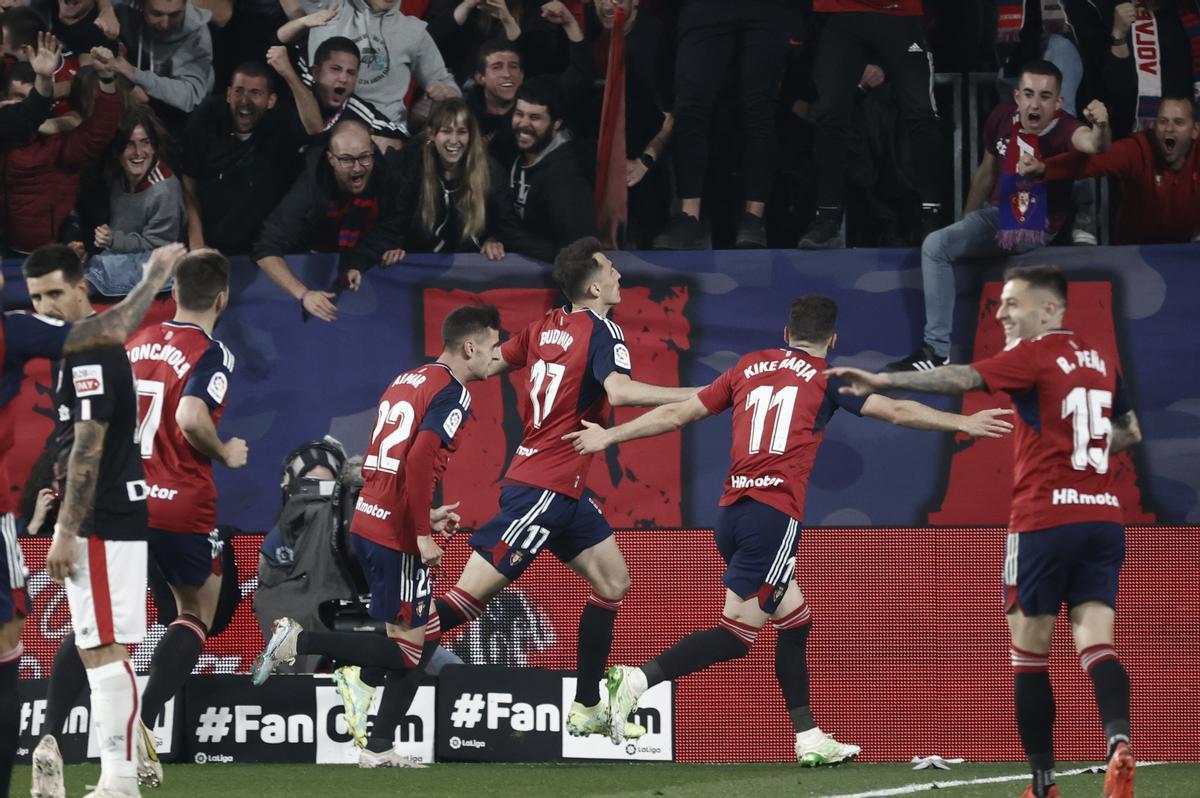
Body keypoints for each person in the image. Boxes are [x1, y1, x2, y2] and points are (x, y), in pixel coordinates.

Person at [565, 295, 1014, 758]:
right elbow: (896, 411)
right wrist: (965, 421)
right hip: (772, 516)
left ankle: (809, 737)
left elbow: (679, 413)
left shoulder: (748, 365)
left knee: (795, 621)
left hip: (733, 515)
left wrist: (610, 435)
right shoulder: (826, 378)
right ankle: (635, 681)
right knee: (736, 635)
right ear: (832, 340)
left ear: (786, 333)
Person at [825, 265, 1141, 798]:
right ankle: (1118, 741)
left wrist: (886, 379)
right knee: (1095, 640)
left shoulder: (1032, 354)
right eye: (999, 305)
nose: (1001, 314)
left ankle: (1042, 785)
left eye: (1012, 304)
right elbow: (1130, 431)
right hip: (1103, 517)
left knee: (1029, 654)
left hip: (1044, 519)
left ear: (1049, 309)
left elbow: (963, 376)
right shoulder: (1100, 360)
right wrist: (1082, 453)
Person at [429, 237, 697, 740]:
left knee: (614, 584)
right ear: (595, 287)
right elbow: (618, 391)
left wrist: (437, 377)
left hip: (565, 491)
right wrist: (701, 394)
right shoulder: (603, 329)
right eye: (611, 270)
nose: (619, 275)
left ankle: (588, 704)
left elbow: (485, 366)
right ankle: (372, 664)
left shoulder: (544, 326)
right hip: (542, 490)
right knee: (466, 601)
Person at [251, 304, 502, 768]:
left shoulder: (408, 379)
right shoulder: (454, 391)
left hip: (369, 515)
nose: (497, 354)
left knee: (421, 637)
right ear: (471, 346)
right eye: (493, 344)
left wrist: (421, 512)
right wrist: (421, 531)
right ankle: (299, 642)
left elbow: (392, 458)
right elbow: (422, 457)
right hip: (395, 532)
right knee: (407, 652)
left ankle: (379, 747)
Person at [5, 242, 184, 798]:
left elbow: (88, 447)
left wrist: (65, 529)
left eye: (57, 292)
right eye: (38, 297)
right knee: (98, 648)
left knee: (104, 648)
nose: (48, 305)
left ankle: (120, 780)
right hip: (105, 514)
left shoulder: (91, 353)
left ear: (83, 286)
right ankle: (116, 778)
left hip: (102, 517)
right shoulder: (75, 351)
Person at [886, 61, 1110, 373]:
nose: (1035, 104)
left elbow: (1094, 144)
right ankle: (936, 351)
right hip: (995, 215)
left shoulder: (1066, 127)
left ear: (1058, 103)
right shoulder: (1002, 117)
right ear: (1017, 96)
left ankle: (936, 352)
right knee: (939, 244)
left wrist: (1101, 126)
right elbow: (986, 172)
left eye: (1045, 97)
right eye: (1029, 94)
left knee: (935, 246)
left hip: (1036, 228)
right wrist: (965, 222)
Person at [122, 250, 246, 776]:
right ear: (222, 297)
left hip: (122, 500)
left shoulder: (135, 343)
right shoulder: (211, 351)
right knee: (197, 611)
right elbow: (191, 415)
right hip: (178, 501)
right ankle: (142, 721)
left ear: (172, 294)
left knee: (107, 623)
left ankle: (62, 731)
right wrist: (224, 452)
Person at [340, 98, 536, 277]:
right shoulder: (412, 167)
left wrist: (494, 237)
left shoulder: (491, 172)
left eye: (461, 132)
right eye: (446, 131)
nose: (454, 140)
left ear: (471, 136)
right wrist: (358, 264)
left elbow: (508, 226)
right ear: (432, 134)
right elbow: (393, 225)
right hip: (422, 272)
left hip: (470, 271)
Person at [252, 119, 401, 322]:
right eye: (347, 160)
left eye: (364, 157)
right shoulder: (309, 187)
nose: (357, 168)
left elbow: (390, 226)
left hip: (350, 265)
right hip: (302, 262)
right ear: (331, 159)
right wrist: (304, 294)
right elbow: (265, 250)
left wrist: (357, 263)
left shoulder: (385, 175)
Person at [1020, 95, 1200, 244]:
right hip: (1133, 252)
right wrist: (1045, 168)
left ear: (1195, 131)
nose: (1169, 129)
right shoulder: (1138, 149)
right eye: (1163, 121)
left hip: (1181, 252)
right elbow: (1091, 162)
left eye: (1178, 122)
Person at [1, 48, 122, 255]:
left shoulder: (58, 138)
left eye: (30, 98)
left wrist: (107, 80)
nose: (24, 105)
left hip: (47, 250)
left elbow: (99, 131)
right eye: (18, 97)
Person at [181, 62, 306, 254]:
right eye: (239, 91)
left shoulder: (284, 123)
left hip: (263, 248)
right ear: (229, 94)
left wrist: (288, 72)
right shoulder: (206, 116)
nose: (245, 101)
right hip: (211, 242)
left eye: (255, 93)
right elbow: (189, 181)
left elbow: (316, 128)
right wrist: (197, 242)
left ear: (271, 100)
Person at [289, 0, 459, 130]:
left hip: (385, 137)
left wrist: (445, 93)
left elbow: (450, 88)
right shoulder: (327, 7)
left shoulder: (414, 31)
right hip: (325, 131)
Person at [505, 77, 596, 262]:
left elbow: (578, 251)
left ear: (556, 124)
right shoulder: (509, 148)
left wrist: (507, 236)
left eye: (535, 117)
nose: (523, 124)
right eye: (519, 114)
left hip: (552, 277)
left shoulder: (566, 177)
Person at [266, 36, 405, 151]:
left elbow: (402, 142)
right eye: (335, 69)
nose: (344, 79)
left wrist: (374, 142)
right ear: (316, 72)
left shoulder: (359, 111)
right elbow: (278, 41)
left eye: (351, 73)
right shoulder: (299, 76)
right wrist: (306, 21)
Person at [111, 0, 215, 131]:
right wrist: (105, 10)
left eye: (174, 15)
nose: (165, 24)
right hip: (133, 101)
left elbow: (190, 96)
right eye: (156, 14)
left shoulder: (198, 33)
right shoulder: (123, 8)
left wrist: (135, 74)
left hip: (179, 115)